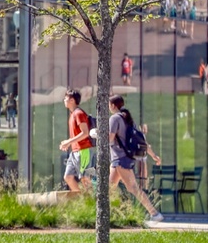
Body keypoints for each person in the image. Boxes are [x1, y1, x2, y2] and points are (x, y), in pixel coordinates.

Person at [107, 94, 164, 222]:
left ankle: (154, 214)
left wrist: (97, 135)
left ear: (112, 105)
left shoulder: (114, 119)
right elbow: (141, 140)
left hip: (120, 159)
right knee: (109, 189)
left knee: (133, 188)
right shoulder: (128, 119)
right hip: (120, 160)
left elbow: (110, 139)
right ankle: (109, 216)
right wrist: (153, 155)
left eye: (108, 104)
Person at [57, 89, 93, 194]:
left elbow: (85, 133)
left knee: (85, 179)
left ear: (72, 100)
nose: (64, 100)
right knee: (68, 177)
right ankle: (82, 200)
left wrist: (68, 142)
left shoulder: (79, 113)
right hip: (75, 151)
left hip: (84, 151)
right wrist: (69, 143)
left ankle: (91, 203)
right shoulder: (73, 114)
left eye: (66, 98)